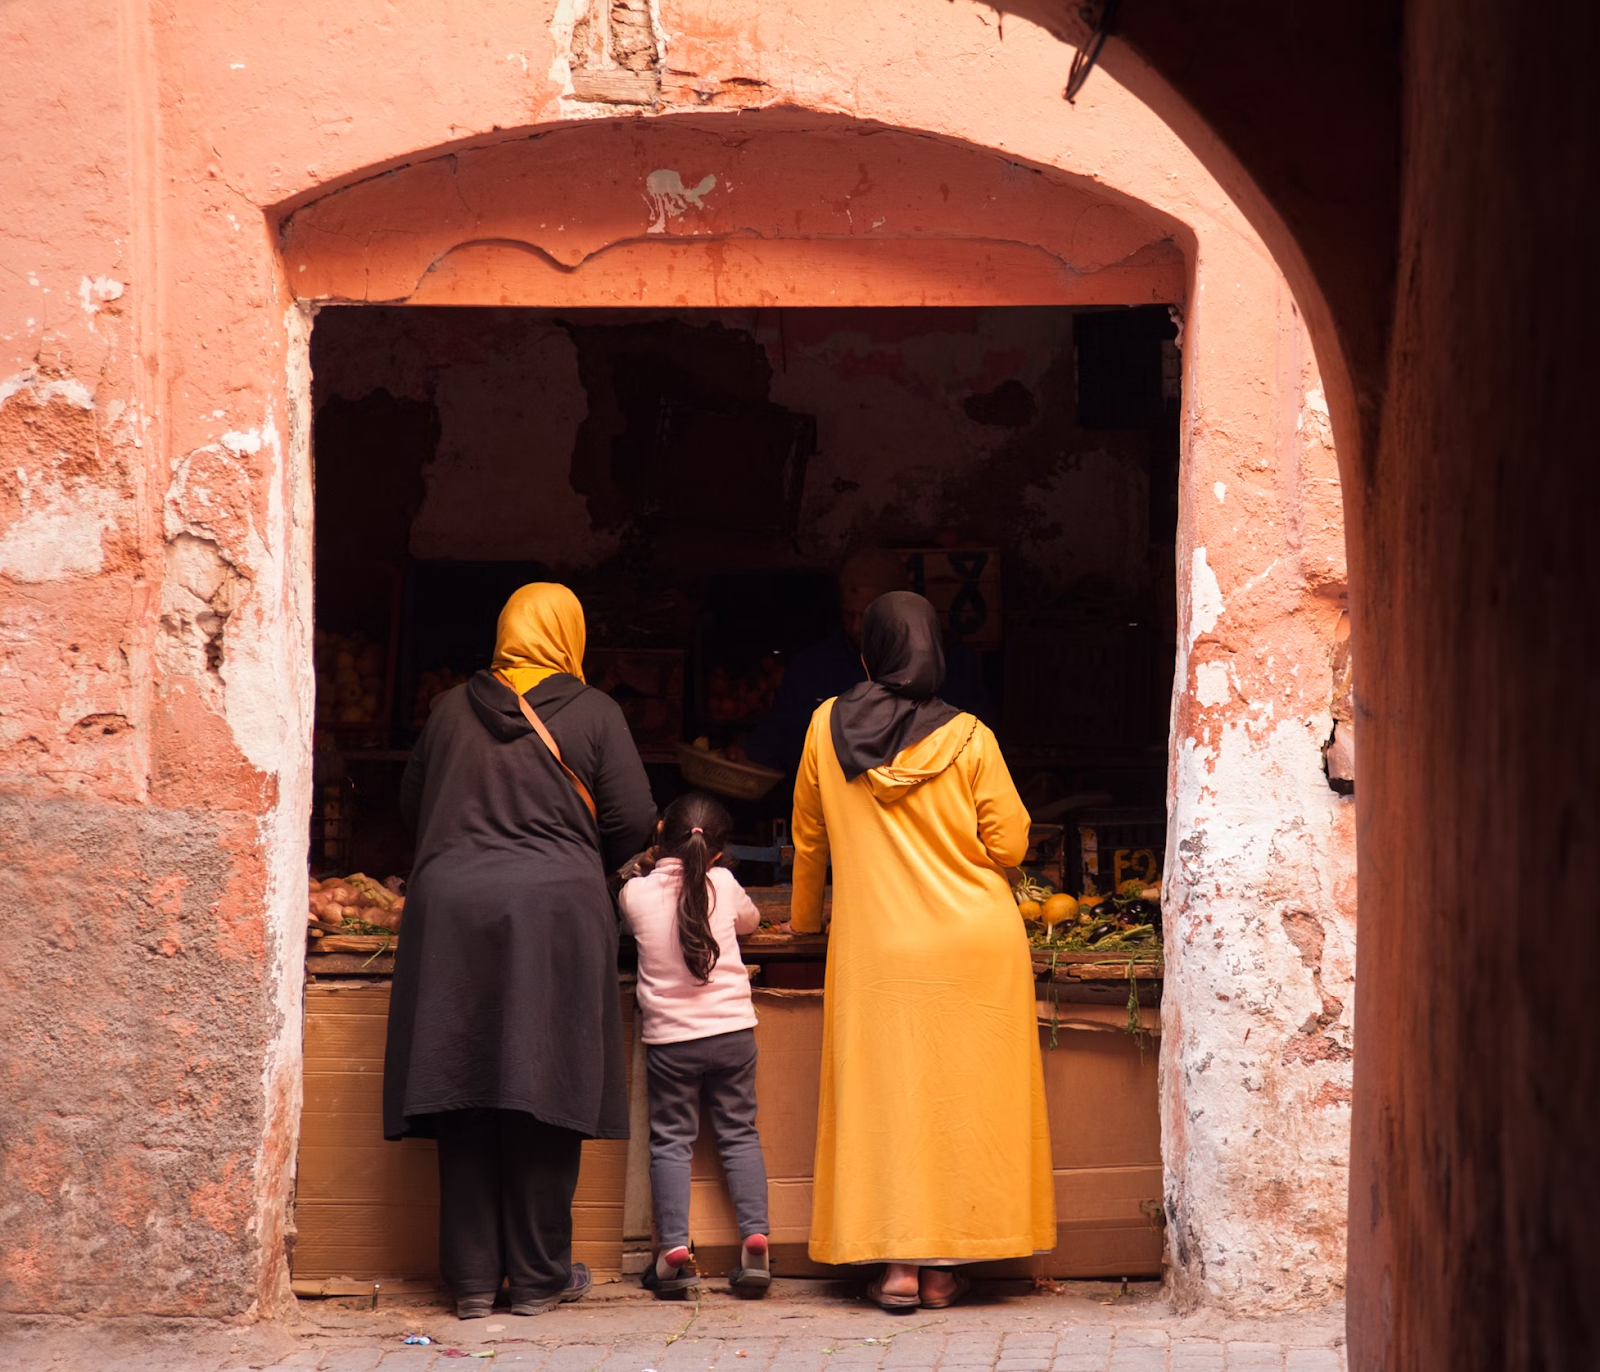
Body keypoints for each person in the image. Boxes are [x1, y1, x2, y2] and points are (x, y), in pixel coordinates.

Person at [383, 583, 657, 1320]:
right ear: (569, 635)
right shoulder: (597, 712)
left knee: (463, 1087)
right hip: (555, 919)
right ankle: (538, 1279)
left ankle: (472, 1282)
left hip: (451, 917)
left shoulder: (446, 710)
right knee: (545, 1092)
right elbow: (632, 820)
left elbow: (413, 807)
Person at [789, 591, 1054, 1310]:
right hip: (974, 950)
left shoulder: (822, 728)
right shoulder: (971, 738)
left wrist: (807, 926)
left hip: (876, 949)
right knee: (962, 1107)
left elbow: (807, 842)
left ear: (868, 654)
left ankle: (899, 1268)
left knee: (889, 1106)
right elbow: (1011, 843)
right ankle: (944, 1270)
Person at [619, 792, 772, 1298]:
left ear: (661, 832)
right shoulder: (724, 883)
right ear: (719, 854)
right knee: (739, 1134)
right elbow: (749, 922)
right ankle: (754, 1240)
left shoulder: (635, 895)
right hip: (731, 1034)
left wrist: (645, 861)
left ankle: (673, 1252)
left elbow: (629, 894)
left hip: (672, 1043)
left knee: (671, 1142)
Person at [743, 548, 989, 776]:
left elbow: (973, 752)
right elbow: (780, 737)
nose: (856, 627)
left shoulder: (950, 666)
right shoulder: (813, 669)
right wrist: (748, 757)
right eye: (848, 615)